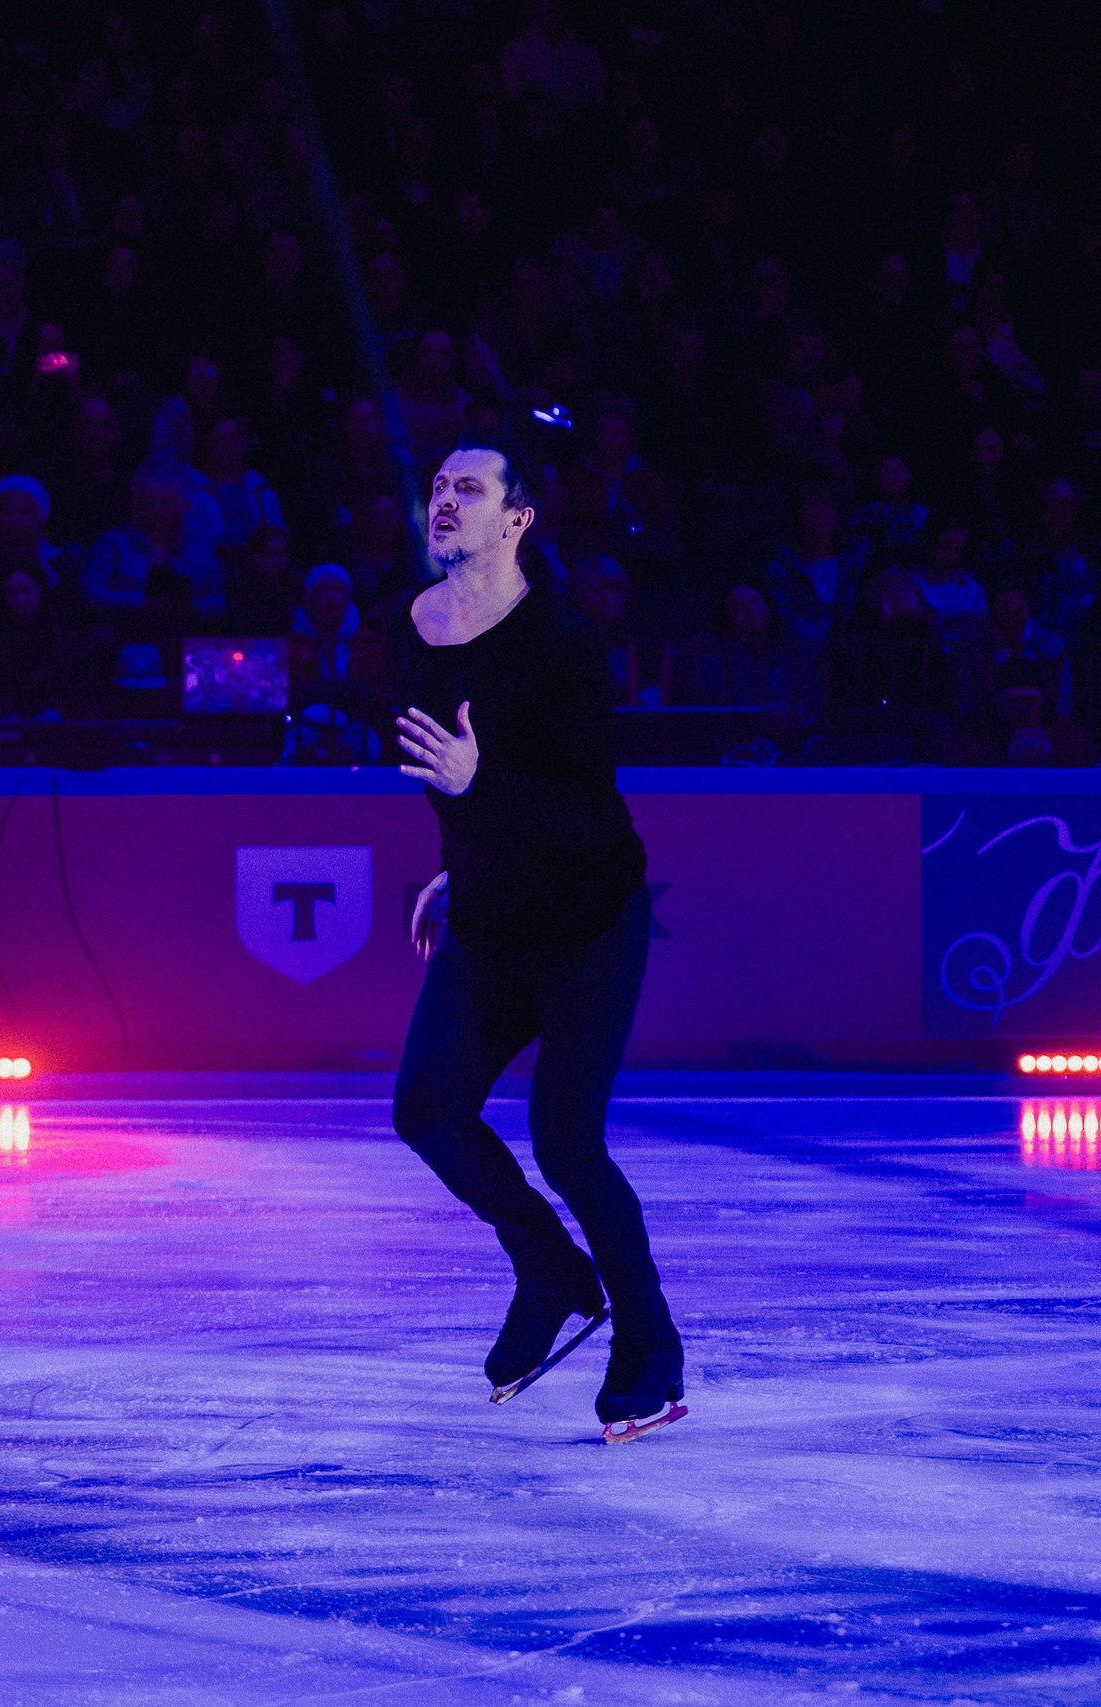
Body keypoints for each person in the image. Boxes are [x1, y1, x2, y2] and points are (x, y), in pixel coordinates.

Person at [390, 437, 684, 1446]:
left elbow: (584, 810)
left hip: (587, 921)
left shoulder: (561, 642)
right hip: (488, 915)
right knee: (426, 1108)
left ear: (515, 520)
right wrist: (459, 859)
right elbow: (450, 777)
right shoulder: (410, 630)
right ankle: (552, 1272)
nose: (444, 500)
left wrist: (484, 795)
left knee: (567, 1141)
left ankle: (651, 1352)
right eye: (436, 486)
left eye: (467, 489)